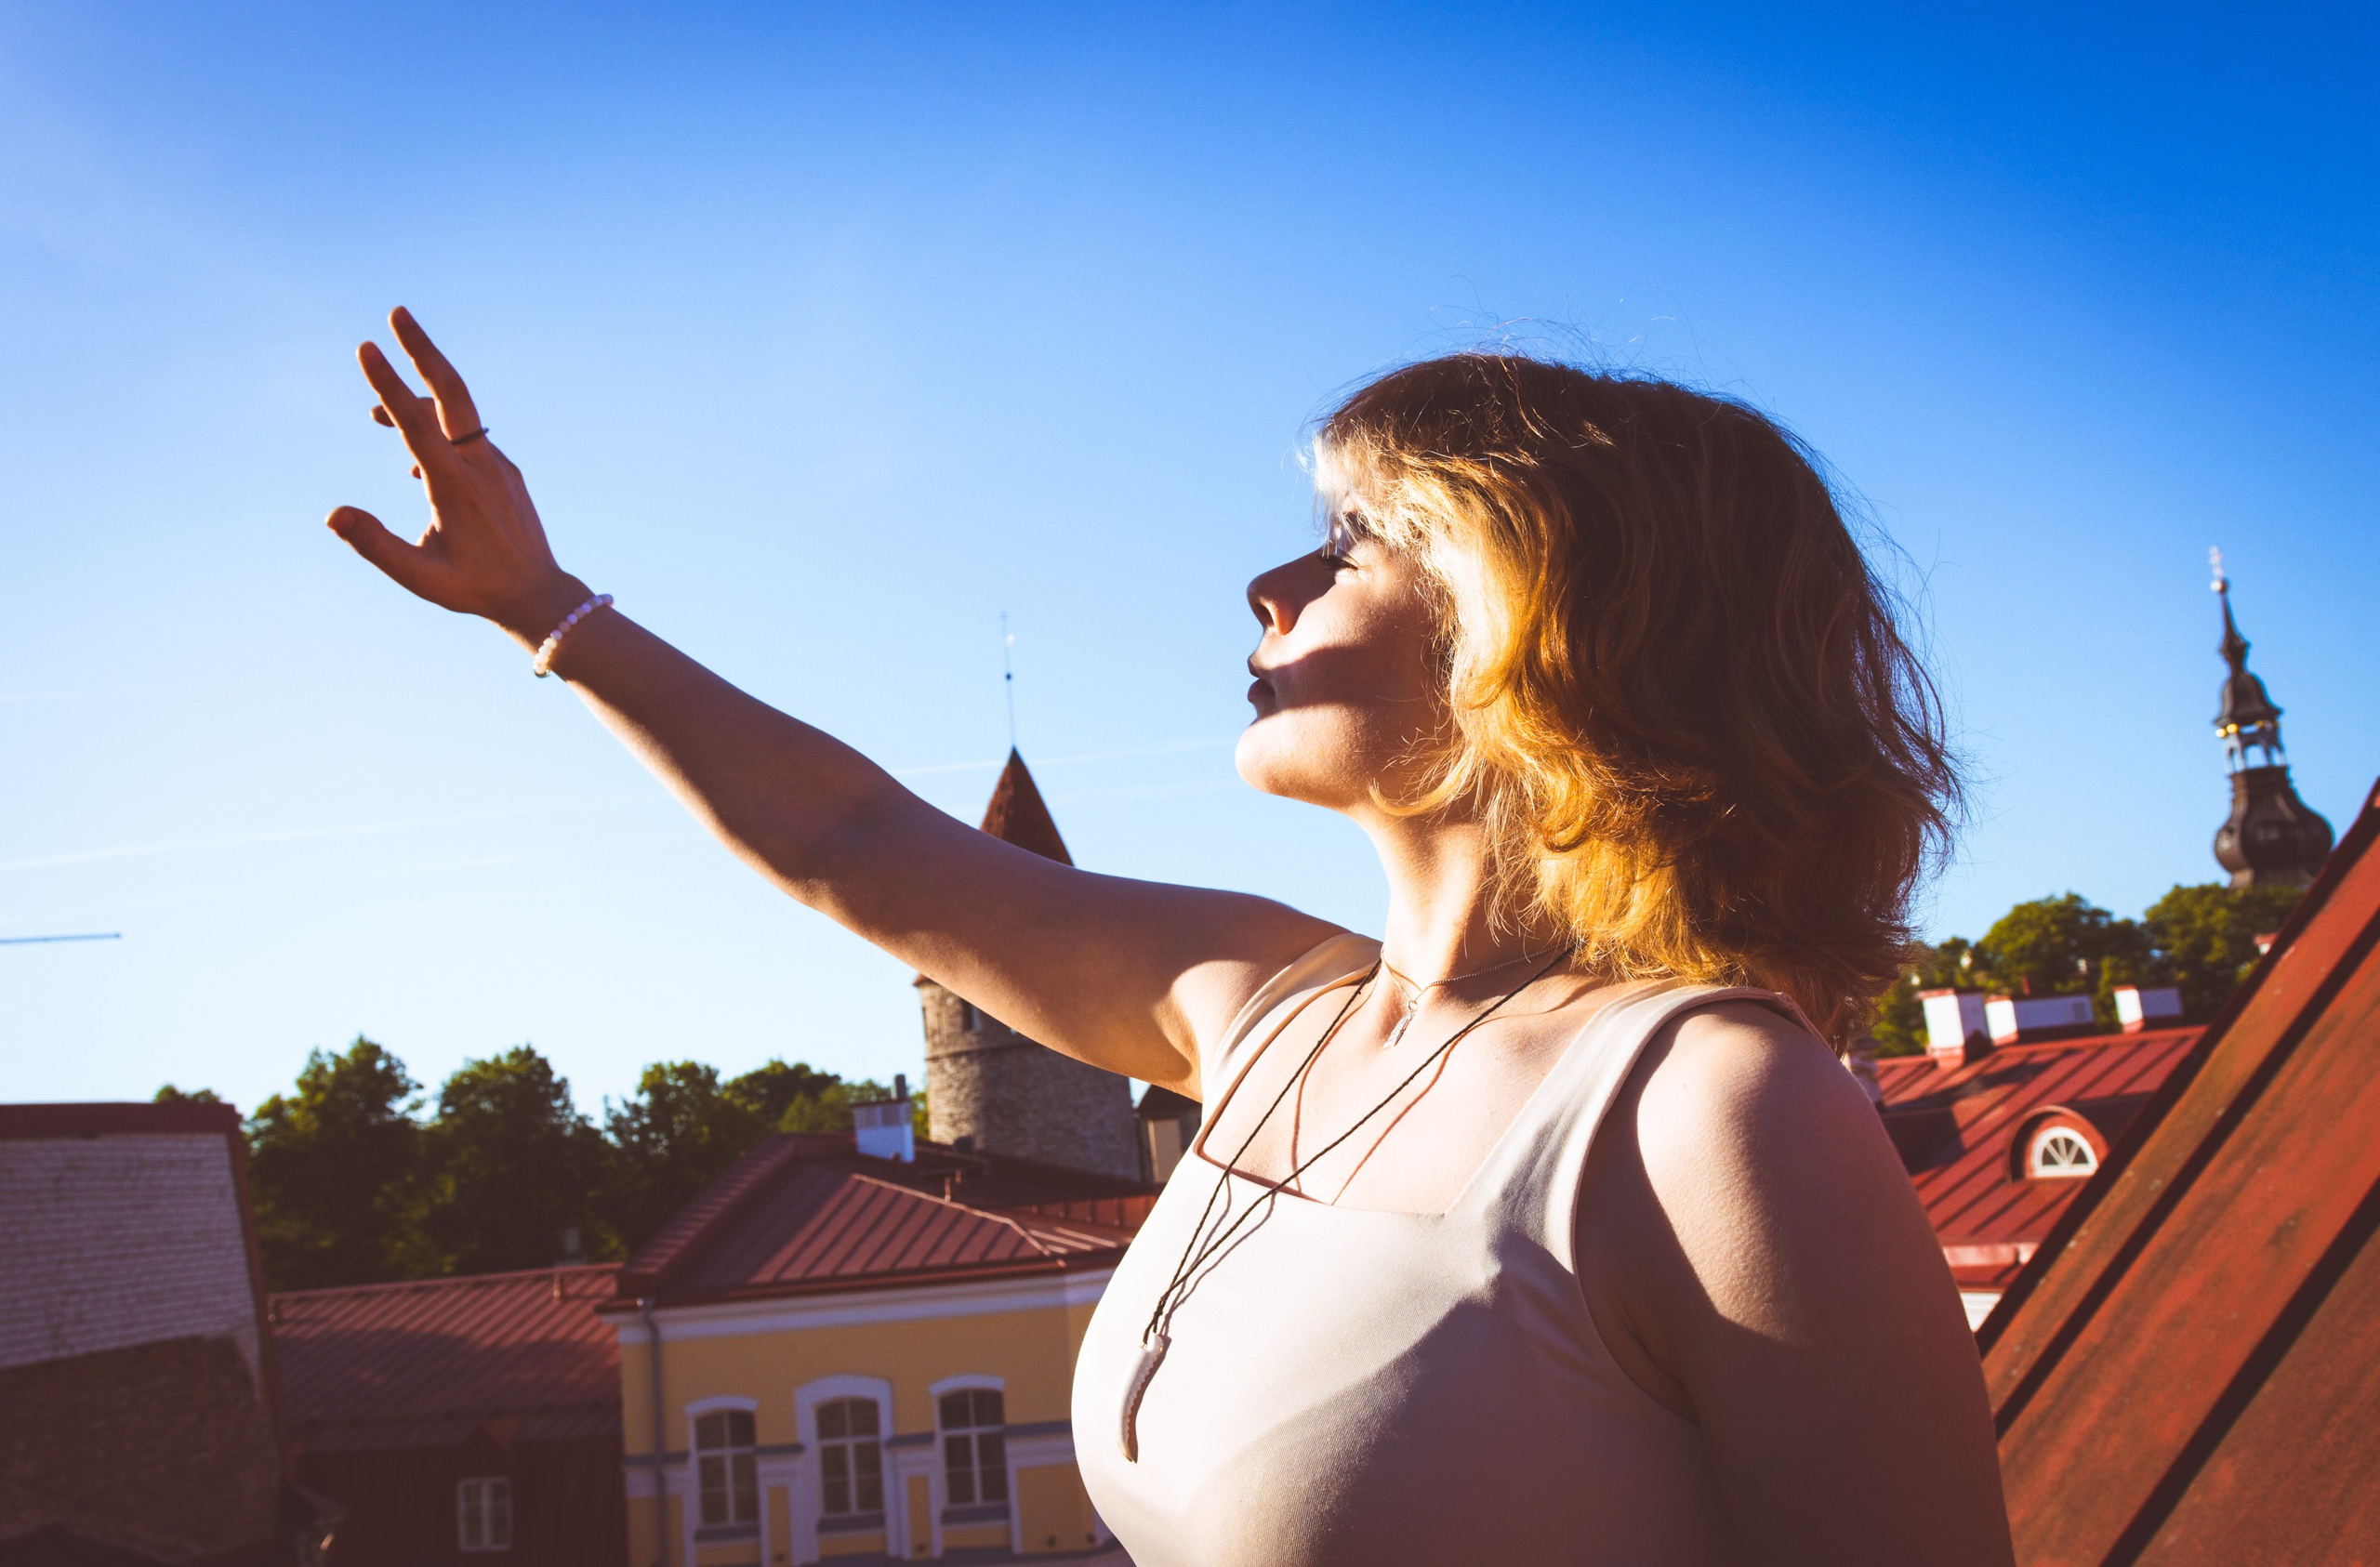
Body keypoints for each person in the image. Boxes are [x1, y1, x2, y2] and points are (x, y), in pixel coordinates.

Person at [328, 309, 2015, 1566]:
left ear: (1545, 623)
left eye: (1360, 543)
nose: (1272, 580)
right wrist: (545, 605)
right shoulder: (1268, 1004)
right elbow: (855, 843)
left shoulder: (1712, 1112)